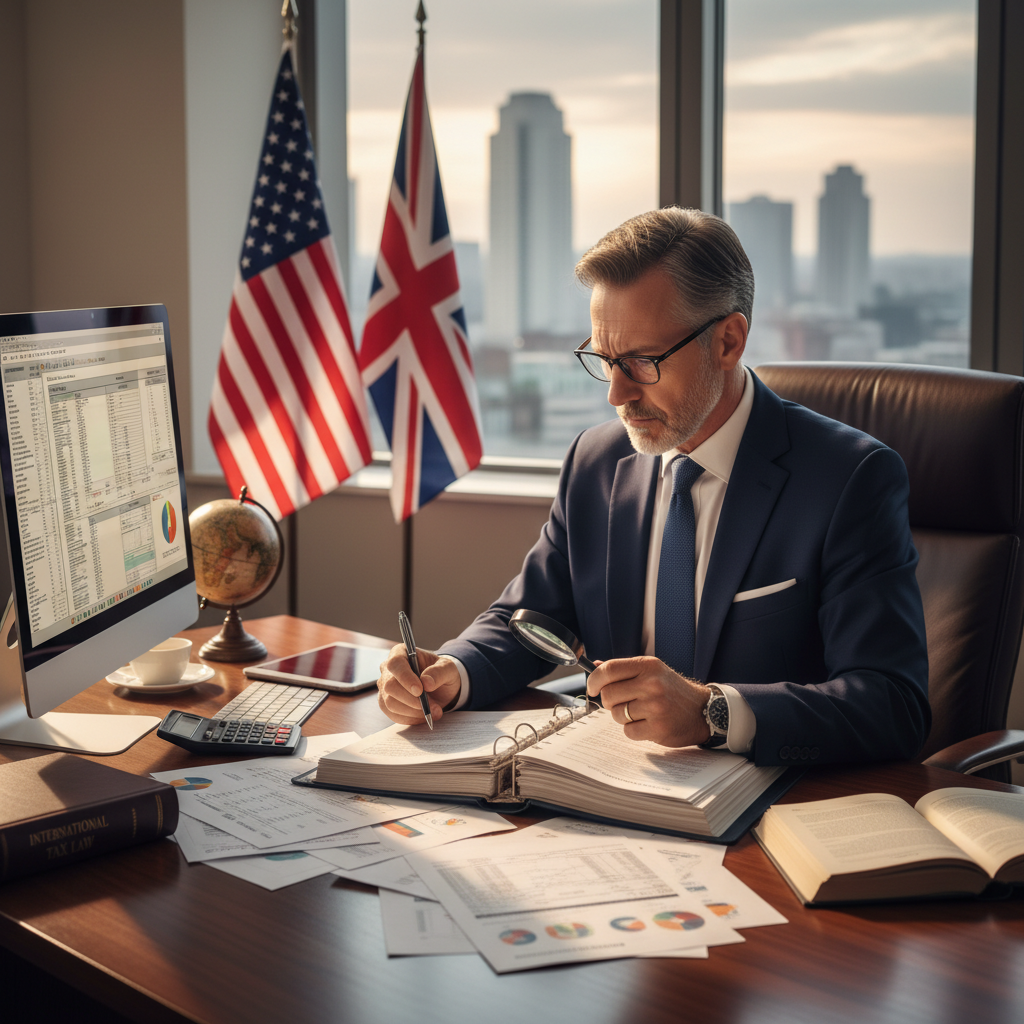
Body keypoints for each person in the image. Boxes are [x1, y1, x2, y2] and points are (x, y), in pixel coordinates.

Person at [376, 207, 930, 765]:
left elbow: (892, 703)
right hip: (616, 793)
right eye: (604, 359)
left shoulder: (849, 479)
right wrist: (455, 669)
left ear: (729, 342)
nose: (616, 395)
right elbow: (528, 620)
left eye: (642, 361)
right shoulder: (596, 460)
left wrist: (712, 711)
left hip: (775, 810)